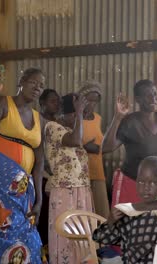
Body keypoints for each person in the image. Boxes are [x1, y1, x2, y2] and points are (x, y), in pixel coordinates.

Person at [0, 67, 45, 263]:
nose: (37, 88)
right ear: (21, 81)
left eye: (41, 85)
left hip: (22, 192)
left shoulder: (39, 118)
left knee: (25, 237)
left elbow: (40, 163)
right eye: (33, 82)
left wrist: (39, 199)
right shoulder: (5, 103)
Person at [102, 80, 157, 206]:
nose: (153, 98)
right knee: (134, 224)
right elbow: (106, 147)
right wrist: (117, 117)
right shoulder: (131, 122)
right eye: (148, 95)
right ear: (138, 99)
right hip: (134, 185)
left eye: (155, 94)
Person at [93, 156, 157, 264]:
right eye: (141, 182)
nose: (146, 187)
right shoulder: (127, 212)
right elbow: (102, 238)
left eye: (153, 182)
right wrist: (111, 221)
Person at [45, 93, 93, 264]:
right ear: (62, 114)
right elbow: (75, 140)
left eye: (78, 113)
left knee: (82, 241)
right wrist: (80, 112)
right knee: (65, 241)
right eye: (73, 113)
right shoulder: (52, 127)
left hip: (82, 191)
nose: (77, 117)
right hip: (65, 193)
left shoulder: (73, 131)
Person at [78, 81, 110, 218]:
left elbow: (103, 145)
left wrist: (97, 148)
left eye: (95, 101)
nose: (91, 105)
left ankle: (100, 240)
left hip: (97, 171)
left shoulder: (98, 119)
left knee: (102, 214)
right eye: (88, 100)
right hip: (79, 174)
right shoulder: (73, 119)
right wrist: (85, 148)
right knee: (83, 214)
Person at [38, 88, 60, 261]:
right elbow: (41, 151)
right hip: (44, 175)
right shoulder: (39, 121)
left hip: (58, 178)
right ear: (42, 103)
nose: (56, 104)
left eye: (57, 101)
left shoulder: (60, 122)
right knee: (44, 219)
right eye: (52, 101)